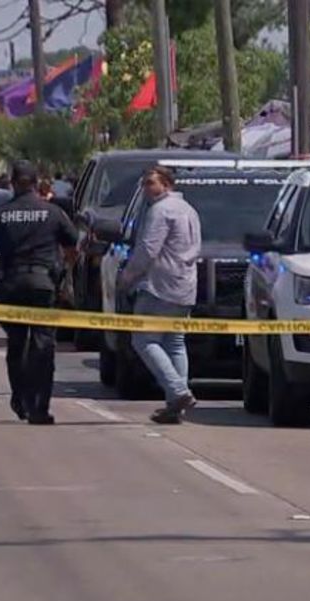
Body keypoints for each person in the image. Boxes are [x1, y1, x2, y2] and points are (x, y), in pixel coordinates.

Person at [0, 160, 78, 425]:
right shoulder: (53, 213)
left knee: (16, 345)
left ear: (12, 183)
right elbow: (73, 248)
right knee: (43, 345)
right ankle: (40, 406)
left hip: (11, 285)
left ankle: (19, 398)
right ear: (37, 183)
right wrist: (65, 278)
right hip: (43, 285)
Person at [118, 166, 201, 425]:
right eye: (144, 183)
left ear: (166, 184)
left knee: (144, 341)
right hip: (185, 285)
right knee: (175, 343)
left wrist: (127, 278)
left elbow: (147, 250)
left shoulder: (160, 211)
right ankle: (175, 405)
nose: (146, 188)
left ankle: (178, 391)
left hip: (159, 286)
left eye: (151, 183)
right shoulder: (189, 210)